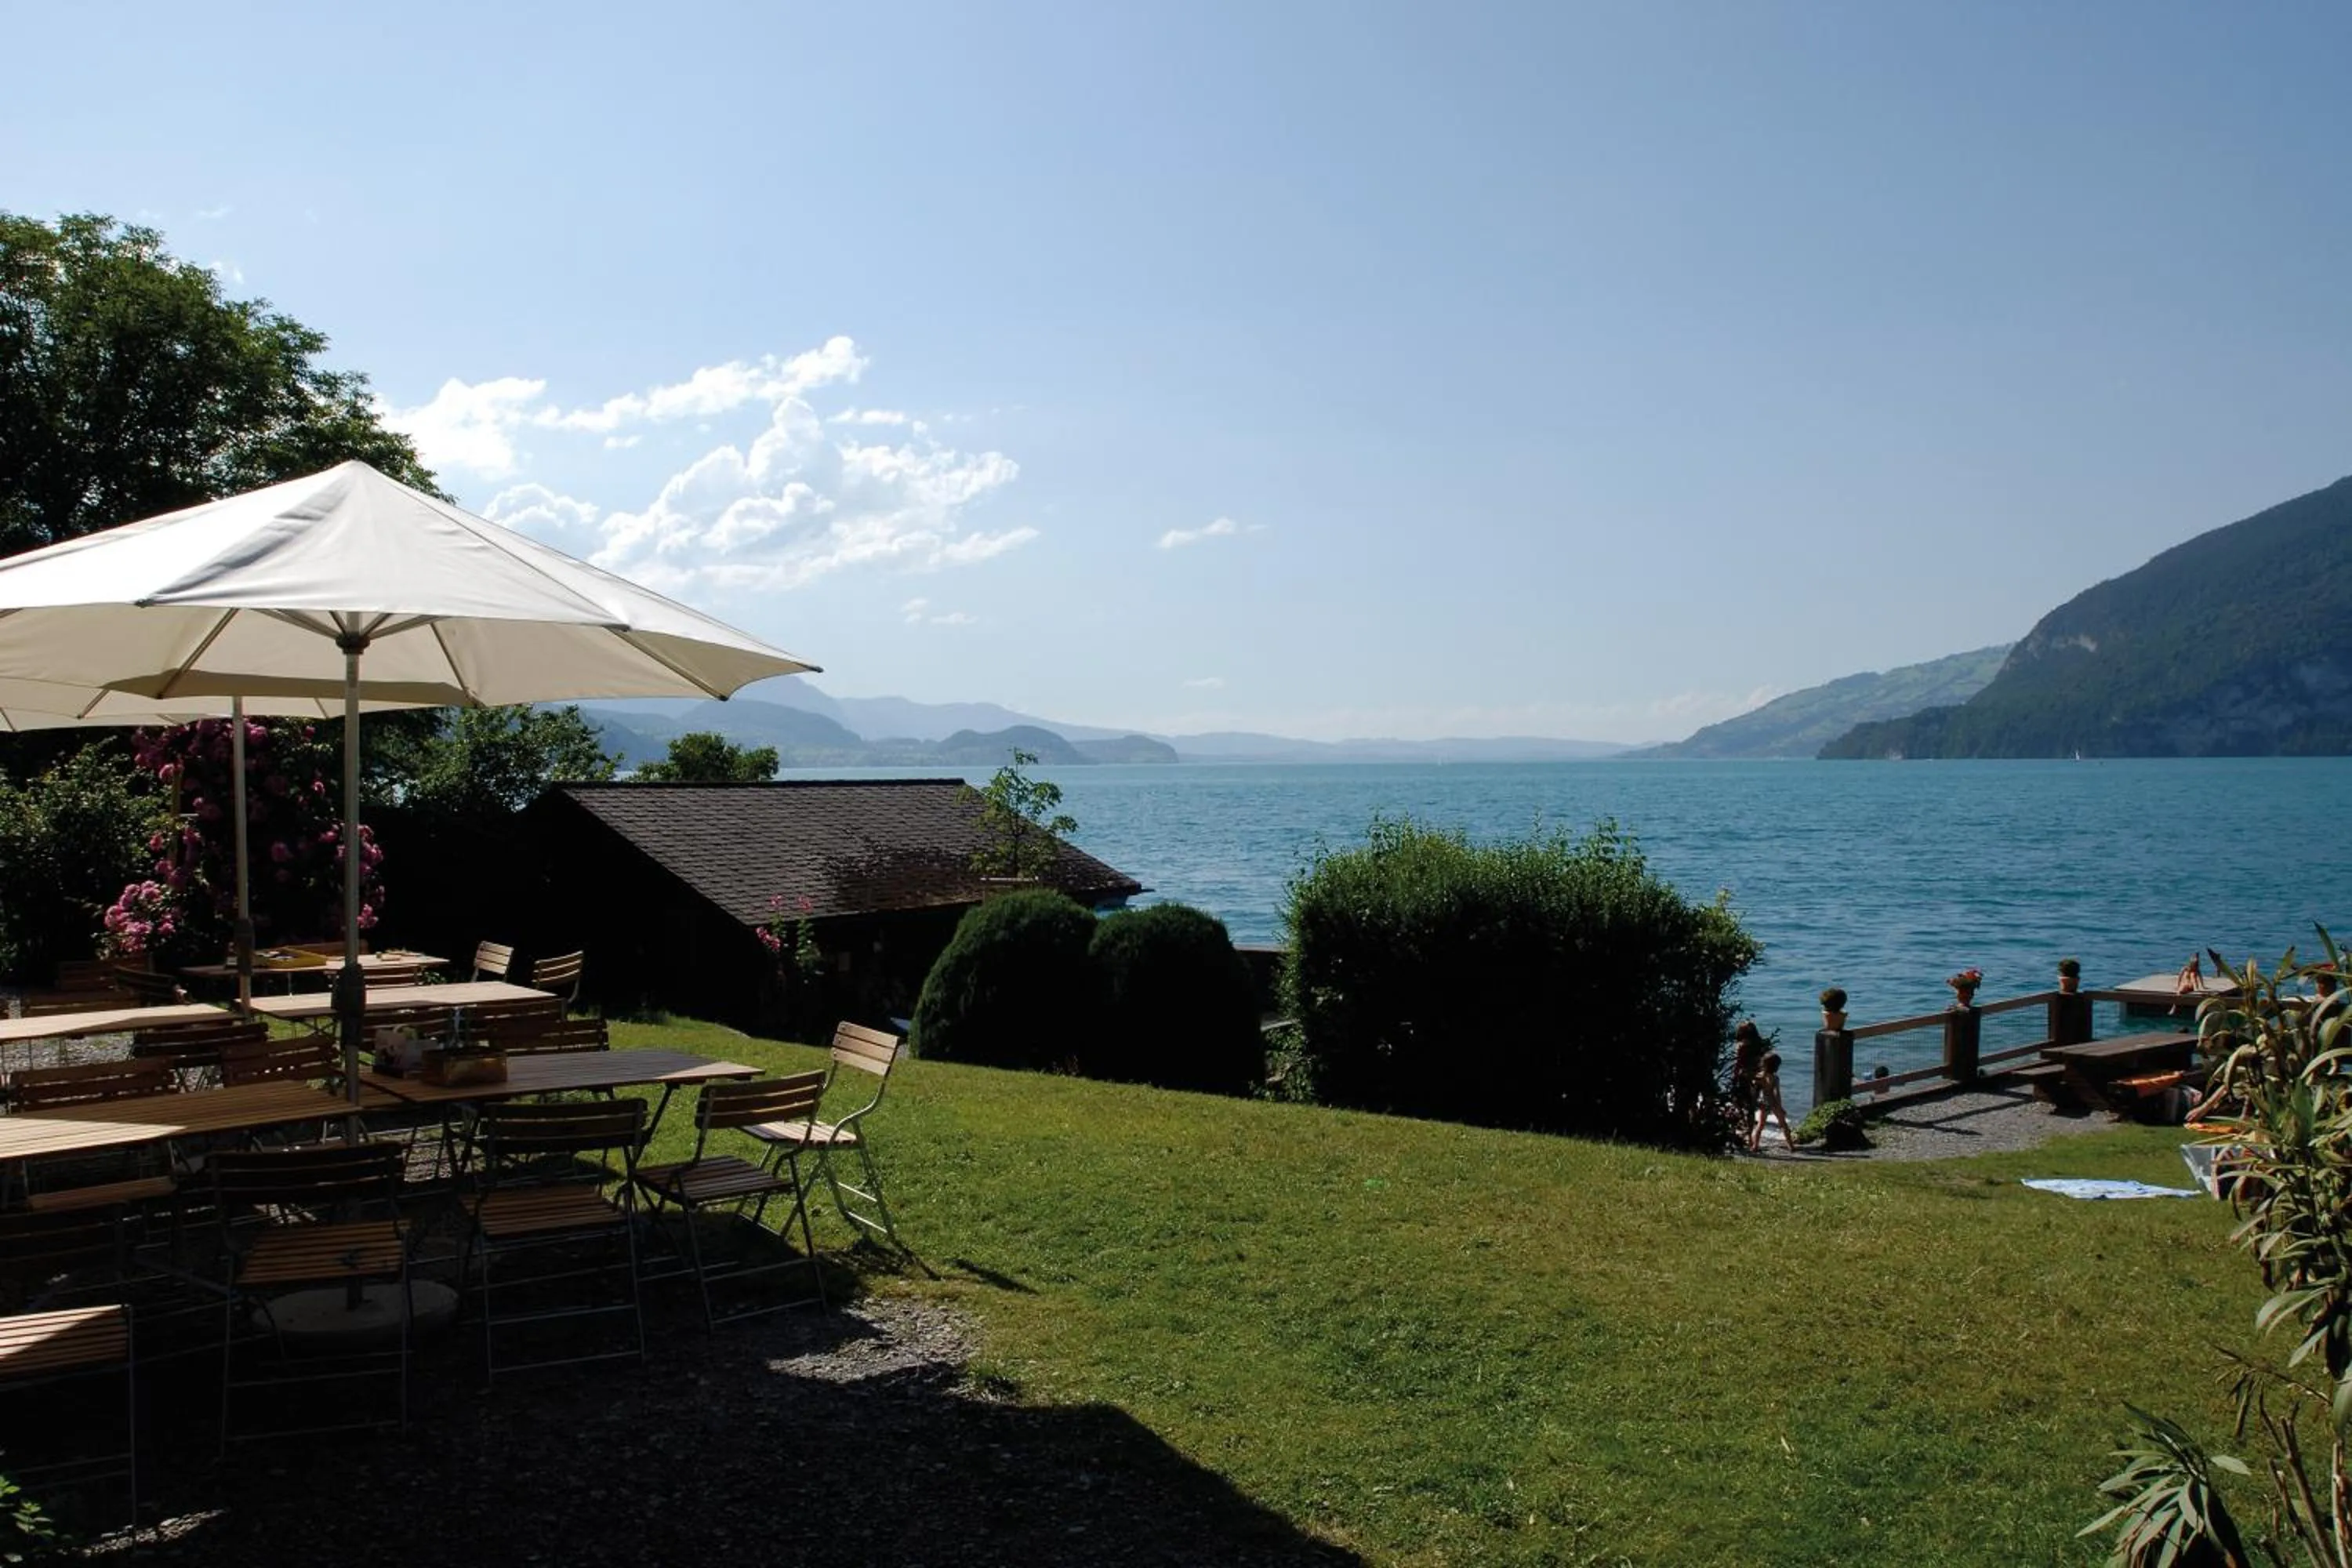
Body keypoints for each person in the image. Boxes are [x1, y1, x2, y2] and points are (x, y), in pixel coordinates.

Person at [1749, 1050, 1795, 1153]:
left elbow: (1754, 1089)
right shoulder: (1775, 1078)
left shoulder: (1759, 1076)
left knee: (1760, 1125)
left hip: (1763, 1102)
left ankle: (1755, 1146)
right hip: (1773, 1102)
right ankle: (1790, 1145)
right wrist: (1780, 1107)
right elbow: (1777, 1094)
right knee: (1783, 1124)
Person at [1729, 1021, 1766, 1120]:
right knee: (1752, 1104)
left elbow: (1738, 1064)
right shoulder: (1761, 1044)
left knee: (1737, 1100)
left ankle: (1742, 1120)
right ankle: (1750, 1128)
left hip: (1745, 1076)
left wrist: (1734, 1076)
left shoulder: (1743, 1047)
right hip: (1758, 1076)